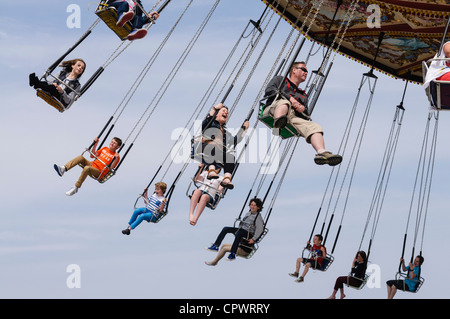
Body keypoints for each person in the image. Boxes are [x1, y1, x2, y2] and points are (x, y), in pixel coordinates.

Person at [263, 61, 342, 166]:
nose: (306, 73)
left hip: (292, 117)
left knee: (315, 126)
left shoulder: (303, 95)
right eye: (303, 69)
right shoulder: (280, 80)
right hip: (275, 107)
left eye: (307, 71)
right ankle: (278, 122)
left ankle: (322, 152)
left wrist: (302, 109)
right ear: (294, 70)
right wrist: (291, 99)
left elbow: (306, 115)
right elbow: (269, 90)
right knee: (285, 103)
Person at [199, 103, 249, 190]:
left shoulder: (225, 133)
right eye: (223, 111)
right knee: (213, 147)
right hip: (206, 148)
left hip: (218, 152)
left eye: (227, 112)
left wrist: (244, 129)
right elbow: (206, 121)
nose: (226, 113)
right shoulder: (211, 124)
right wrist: (214, 109)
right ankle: (211, 170)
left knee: (230, 156)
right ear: (217, 114)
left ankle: (226, 179)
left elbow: (235, 140)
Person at [53, 137, 122, 196]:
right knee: (80, 158)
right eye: (112, 142)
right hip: (92, 165)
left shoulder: (116, 156)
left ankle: (76, 187)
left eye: (114, 143)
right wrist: (95, 144)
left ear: (118, 147)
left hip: (99, 172)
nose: (112, 143)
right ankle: (63, 169)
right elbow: (92, 155)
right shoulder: (105, 148)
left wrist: (115, 159)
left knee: (87, 168)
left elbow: (110, 168)